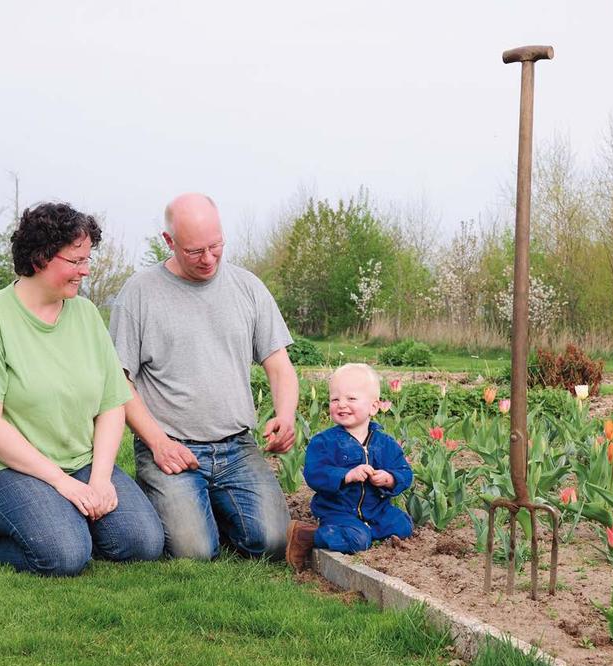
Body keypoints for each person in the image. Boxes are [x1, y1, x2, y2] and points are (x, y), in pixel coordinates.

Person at [0, 202, 164, 577]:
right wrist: (62, 484)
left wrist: (98, 479)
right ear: (39, 258)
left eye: (87, 258)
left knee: (142, 542)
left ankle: (62, 521)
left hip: (78, 461)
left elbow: (113, 403)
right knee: (64, 555)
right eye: (76, 260)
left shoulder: (85, 314)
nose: (86, 270)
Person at [109, 193, 297, 561]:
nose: (208, 259)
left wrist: (285, 416)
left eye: (216, 246)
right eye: (195, 251)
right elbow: (118, 381)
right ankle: (182, 507)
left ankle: (208, 509)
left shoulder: (247, 287)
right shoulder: (139, 293)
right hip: (170, 447)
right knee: (194, 552)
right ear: (169, 242)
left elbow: (280, 364)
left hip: (237, 447)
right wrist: (158, 443)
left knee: (273, 543)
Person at [285, 363, 413, 571]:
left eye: (351, 399)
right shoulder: (325, 442)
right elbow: (314, 474)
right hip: (338, 511)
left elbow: (405, 473)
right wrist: (346, 475)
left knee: (402, 525)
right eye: (335, 399)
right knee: (357, 540)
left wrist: (389, 478)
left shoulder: (385, 443)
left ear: (374, 406)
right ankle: (307, 535)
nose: (341, 404)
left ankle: (364, 531)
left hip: (376, 510)